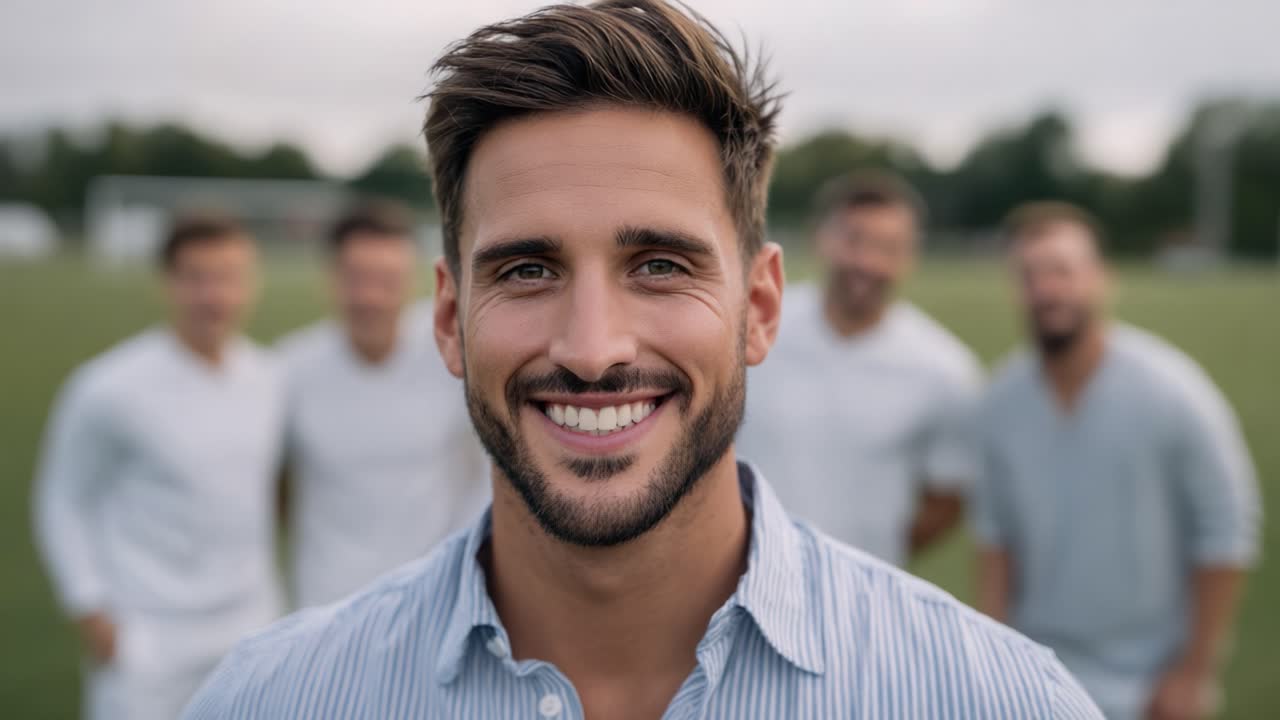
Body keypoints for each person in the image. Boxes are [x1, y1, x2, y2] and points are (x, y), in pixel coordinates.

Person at [184, 3, 1102, 718]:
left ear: (759, 307)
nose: (592, 351)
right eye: (528, 269)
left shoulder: (996, 699)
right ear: (451, 317)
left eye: (659, 266)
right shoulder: (269, 700)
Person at [973, 202, 1261, 720]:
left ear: (1102, 279)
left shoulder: (1174, 391)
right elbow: (996, 541)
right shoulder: (1001, 402)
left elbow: (1227, 529)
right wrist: (994, 662)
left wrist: (1195, 672)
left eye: (1062, 270)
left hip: (1147, 681)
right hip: (1039, 674)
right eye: (1029, 275)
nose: (1046, 289)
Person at [33, 214, 284, 720]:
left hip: (250, 623)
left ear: (250, 283)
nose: (214, 295)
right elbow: (61, 498)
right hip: (149, 636)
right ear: (167, 282)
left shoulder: (270, 377)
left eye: (229, 277)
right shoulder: (108, 388)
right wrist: (91, 609)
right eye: (196, 277)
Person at [738, 172, 982, 566]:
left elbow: (946, 500)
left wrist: (867, 555)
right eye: (853, 240)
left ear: (910, 256)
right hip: (739, 578)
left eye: (888, 247)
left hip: (862, 598)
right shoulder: (749, 329)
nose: (866, 261)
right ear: (821, 238)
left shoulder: (945, 368)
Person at [278, 202, 488, 608]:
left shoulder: (455, 356)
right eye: (356, 278)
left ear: (413, 281)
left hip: (434, 597)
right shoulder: (290, 369)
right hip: (328, 605)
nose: (370, 296)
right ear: (332, 279)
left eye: (386, 280)